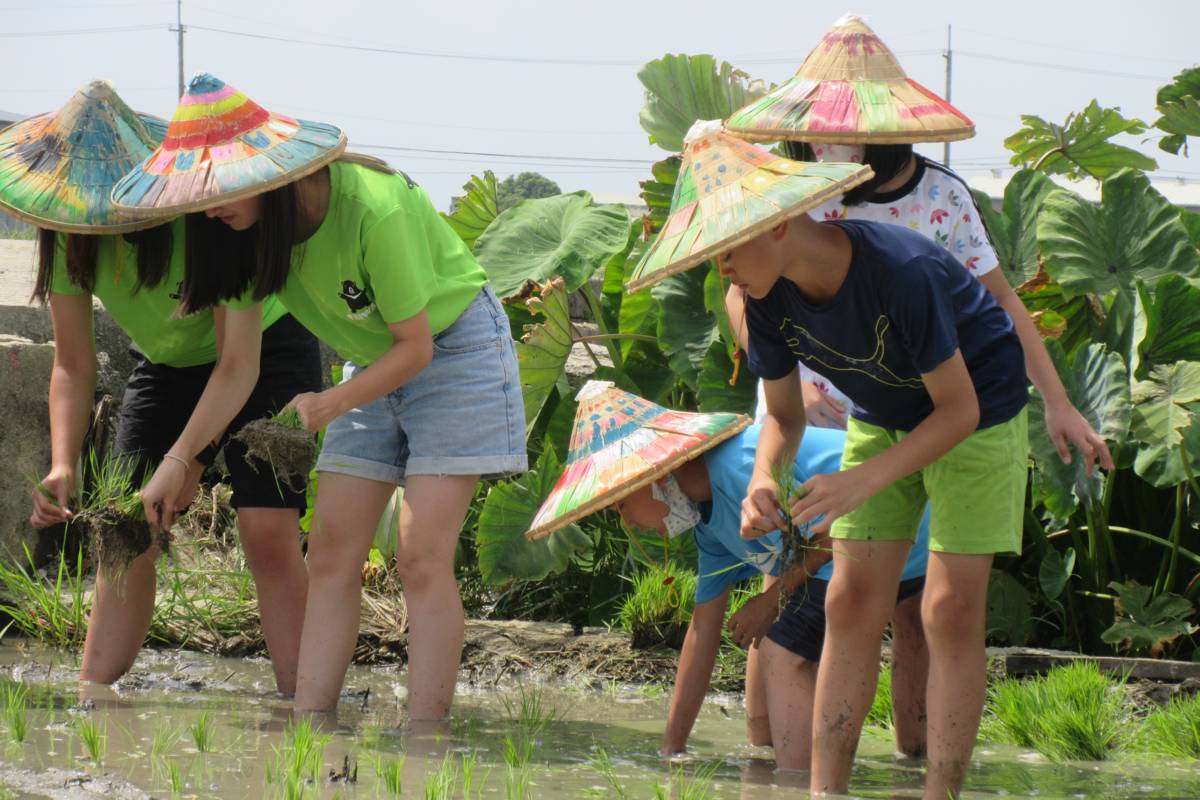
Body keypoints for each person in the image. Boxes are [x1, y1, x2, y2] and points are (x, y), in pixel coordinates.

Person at [625, 121, 1045, 799]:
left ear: (781, 223)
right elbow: (784, 419)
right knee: (849, 598)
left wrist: (861, 480)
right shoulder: (766, 302)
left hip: (981, 411)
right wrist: (764, 475)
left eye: (727, 249)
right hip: (886, 414)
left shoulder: (899, 273)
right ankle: (825, 792)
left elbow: (958, 411)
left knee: (947, 610)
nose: (722, 271)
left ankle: (940, 792)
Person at [110, 74, 526, 719]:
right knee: (331, 548)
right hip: (371, 361)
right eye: (200, 192)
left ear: (267, 173)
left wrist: (330, 403)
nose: (209, 205)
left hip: (455, 355)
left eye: (218, 188)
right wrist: (178, 459)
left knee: (419, 555)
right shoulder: (241, 235)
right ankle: (308, 723)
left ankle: (423, 739)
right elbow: (236, 368)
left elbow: (415, 349)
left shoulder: (372, 208)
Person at [3, 80, 320, 693]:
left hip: (263, 359)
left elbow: (236, 367)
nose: (98, 221)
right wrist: (63, 464)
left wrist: (189, 460)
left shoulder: (208, 220)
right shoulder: (69, 236)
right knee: (125, 530)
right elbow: (72, 363)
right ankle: (93, 696)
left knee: (265, 529)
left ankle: (302, 704)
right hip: (165, 367)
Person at [723, 14, 1112, 475]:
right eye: (814, 131)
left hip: (915, 419)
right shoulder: (789, 192)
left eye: (841, 131)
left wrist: (1057, 402)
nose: (823, 146)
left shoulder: (941, 199)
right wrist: (791, 379)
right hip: (803, 415)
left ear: (887, 127)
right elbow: (742, 296)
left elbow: (1000, 298)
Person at [523, 381, 929, 770]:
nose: (628, 523)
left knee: (780, 652)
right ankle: (880, 768)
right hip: (885, 546)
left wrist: (769, 601)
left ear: (650, 480)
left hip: (894, 528)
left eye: (619, 507)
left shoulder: (738, 469)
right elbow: (702, 635)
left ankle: (798, 783)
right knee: (783, 645)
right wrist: (672, 748)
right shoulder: (708, 523)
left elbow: (833, 530)